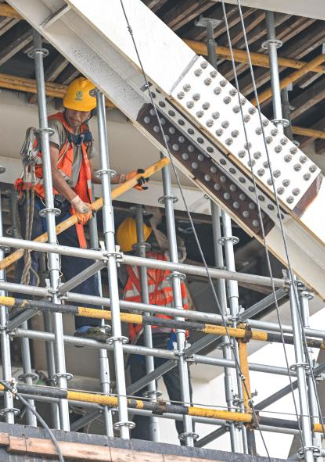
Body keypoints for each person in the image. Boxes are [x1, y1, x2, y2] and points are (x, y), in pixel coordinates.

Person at [15, 77, 149, 341]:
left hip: (64, 203)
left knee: (82, 259)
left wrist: (123, 179)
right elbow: (52, 171)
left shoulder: (85, 134)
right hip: (38, 198)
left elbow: (86, 174)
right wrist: (77, 200)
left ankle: (89, 321)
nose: (77, 115)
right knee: (31, 250)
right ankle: (21, 307)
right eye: (74, 109)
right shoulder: (55, 126)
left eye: (83, 111)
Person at [116, 214, 193, 441]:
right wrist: (156, 222)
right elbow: (177, 248)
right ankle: (188, 438)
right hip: (170, 336)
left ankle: (141, 443)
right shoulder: (167, 262)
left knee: (141, 399)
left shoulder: (126, 269)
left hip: (142, 339)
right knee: (182, 398)